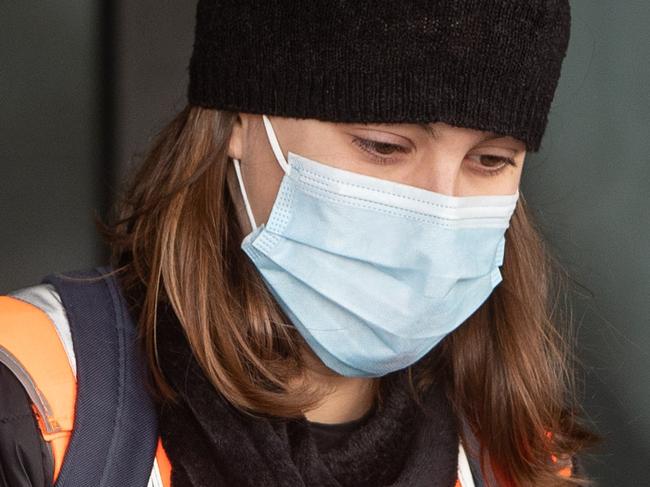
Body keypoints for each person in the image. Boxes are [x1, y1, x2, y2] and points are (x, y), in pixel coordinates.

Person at [0, 1, 601, 486]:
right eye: (383, 146)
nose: (438, 206)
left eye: (491, 160)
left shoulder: (516, 455)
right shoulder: (38, 394)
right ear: (239, 122)